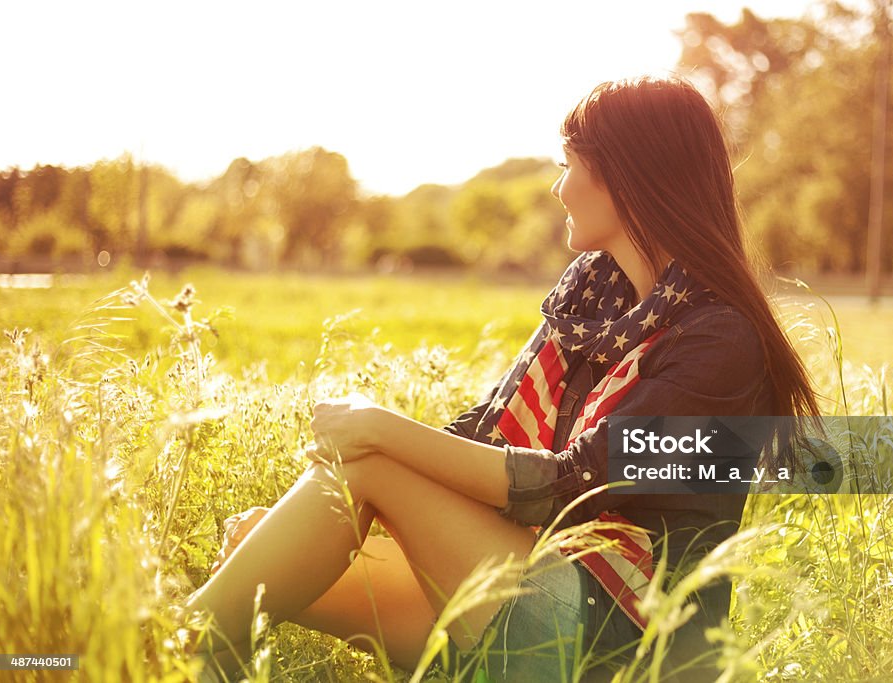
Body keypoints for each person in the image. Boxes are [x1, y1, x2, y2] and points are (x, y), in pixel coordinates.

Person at [184, 75, 820, 682]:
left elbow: (571, 485)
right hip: (527, 582)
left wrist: (380, 433)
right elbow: (482, 436)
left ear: (626, 179)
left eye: (569, 164)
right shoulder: (592, 304)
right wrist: (371, 509)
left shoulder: (718, 339)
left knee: (363, 468)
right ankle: (207, 648)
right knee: (267, 548)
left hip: (620, 639)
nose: (558, 188)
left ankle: (179, 647)